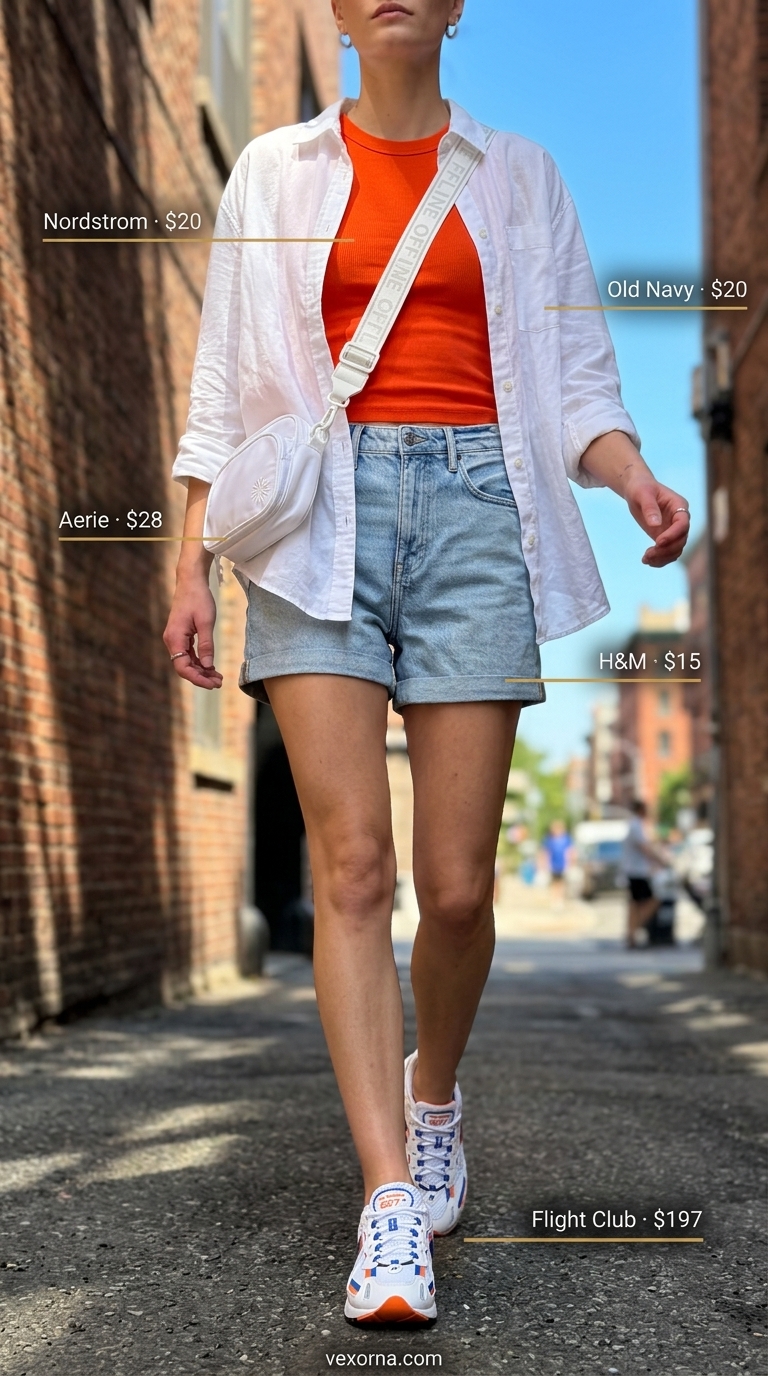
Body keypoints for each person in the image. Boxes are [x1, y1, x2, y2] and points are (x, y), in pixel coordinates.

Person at [163, 0, 691, 1326]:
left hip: (476, 510)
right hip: (317, 516)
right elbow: (225, 388)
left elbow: (577, 380)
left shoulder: (521, 176)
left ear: (457, 9)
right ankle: (389, 1199)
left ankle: (434, 1095)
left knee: (455, 888)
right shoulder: (272, 173)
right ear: (338, 9)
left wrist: (632, 478)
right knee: (354, 870)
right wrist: (184, 562)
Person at [621, 800, 669, 948]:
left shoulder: (635, 825)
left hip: (635, 871)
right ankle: (633, 931)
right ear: (641, 810)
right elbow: (645, 848)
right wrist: (661, 861)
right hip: (638, 873)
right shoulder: (636, 826)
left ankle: (632, 934)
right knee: (653, 901)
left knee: (635, 904)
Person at [542, 819, 572, 904]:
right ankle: (554, 900)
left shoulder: (566, 839)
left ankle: (560, 900)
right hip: (553, 865)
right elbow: (546, 852)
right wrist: (545, 864)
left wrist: (569, 863)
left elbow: (569, 852)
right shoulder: (550, 840)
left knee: (561, 883)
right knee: (554, 883)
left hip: (563, 864)